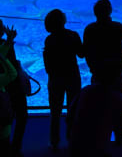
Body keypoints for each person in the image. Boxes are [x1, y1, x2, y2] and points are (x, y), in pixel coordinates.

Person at [82, 0, 122, 144]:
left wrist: (92, 67)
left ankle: (99, 136)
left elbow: (86, 52)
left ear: (95, 13)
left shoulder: (90, 29)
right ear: (110, 11)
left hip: (98, 72)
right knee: (119, 105)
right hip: (117, 72)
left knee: (98, 105)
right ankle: (120, 135)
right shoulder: (118, 27)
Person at [68, 59, 122, 157]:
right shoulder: (113, 97)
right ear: (114, 79)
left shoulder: (84, 91)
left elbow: (70, 115)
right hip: (98, 150)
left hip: (76, 146)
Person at [0, 20, 28, 157]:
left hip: (0, 84)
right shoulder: (0, 45)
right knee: (20, 115)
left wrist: (9, 40)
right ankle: (14, 147)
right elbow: (8, 58)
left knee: (6, 115)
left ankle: (6, 146)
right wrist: (9, 40)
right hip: (12, 83)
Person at [43, 8, 84, 152]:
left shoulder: (49, 39)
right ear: (63, 21)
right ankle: (73, 138)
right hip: (72, 76)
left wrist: (51, 73)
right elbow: (81, 54)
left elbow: (47, 62)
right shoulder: (73, 35)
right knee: (73, 109)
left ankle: (54, 141)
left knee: (55, 111)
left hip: (55, 78)